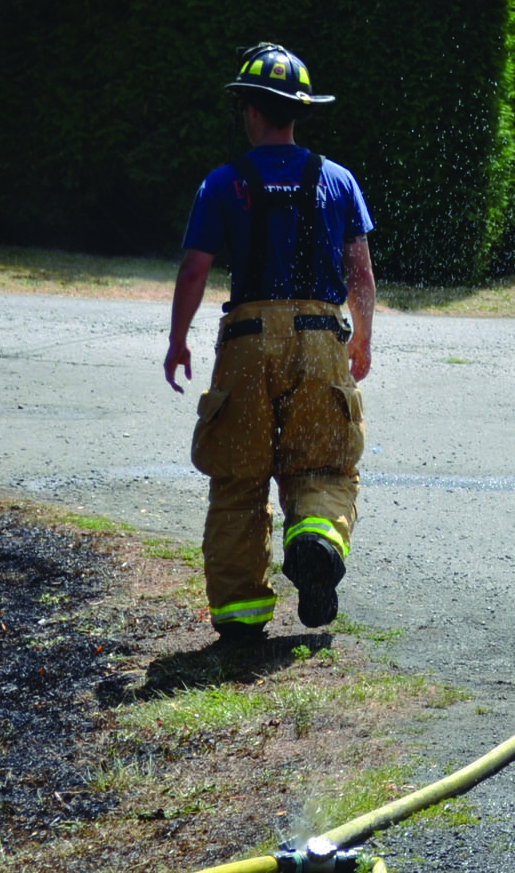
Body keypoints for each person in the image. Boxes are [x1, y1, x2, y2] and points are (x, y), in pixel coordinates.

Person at [165, 43, 376, 641]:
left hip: (247, 342)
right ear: (299, 111)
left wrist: (178, 341)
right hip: (320, 340)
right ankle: (316, 539)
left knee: (238, 479)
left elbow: (194, 270)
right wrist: (361, 339)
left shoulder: (222, 183)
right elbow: (360, 272)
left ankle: (241, 614)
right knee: (324, 463)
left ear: (252, 110)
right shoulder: (338, 180)